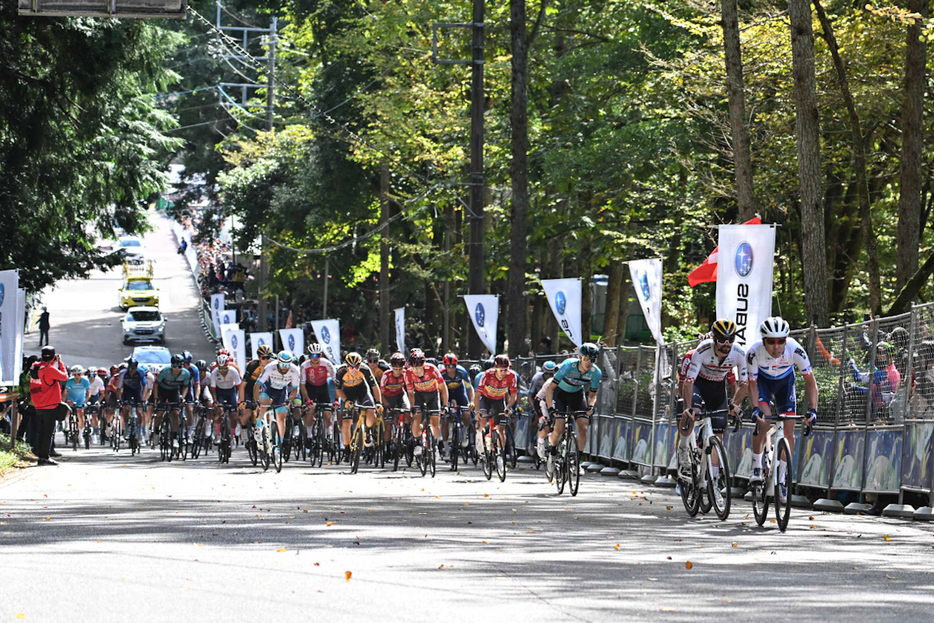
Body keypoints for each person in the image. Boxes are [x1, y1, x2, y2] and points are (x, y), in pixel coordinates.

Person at [746, 316, 819, 501]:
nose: (776, 346)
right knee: (764, 421)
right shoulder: (754, 352)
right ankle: (756, 465)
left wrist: (813, 410)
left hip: (785, 384)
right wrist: (755, 408)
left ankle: (783, 479)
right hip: (763, 383)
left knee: (789, 431)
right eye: (771, 341)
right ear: (764, 341)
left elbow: (810, 382)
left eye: (781, 341)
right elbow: (752, 385)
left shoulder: (795, 349)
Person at [677, 320, 747, 498]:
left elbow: (744, 384)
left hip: (717, 388)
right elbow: (688, 382)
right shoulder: (702, 350)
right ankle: (684, 448)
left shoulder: (739, 353)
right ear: (714, 339)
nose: (726, 344)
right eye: (722, 340)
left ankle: (712, 482)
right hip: (699, 385)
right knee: (692, 412)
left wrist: (735, 404)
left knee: (719, 435)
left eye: (730, 339)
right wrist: (687, 408)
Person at [544, 343, 603, 477]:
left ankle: (577, 461)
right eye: (586, 359)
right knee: (558, 429)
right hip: (560, 395)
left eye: (592, 360)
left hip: (577, 396)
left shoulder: (596, 373)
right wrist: (551, 408)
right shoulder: (567, 366)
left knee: (583, 427)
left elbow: (592, 395)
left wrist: (591, 407)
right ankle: (552, 453)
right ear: (580, 357)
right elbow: (550, 389)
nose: (589, 363)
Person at [334, 352, 381, 460]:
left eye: (357, 366)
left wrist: (378, 402)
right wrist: (345, 400)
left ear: (360, 365)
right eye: (351, 367)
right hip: (347, 394)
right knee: (346, 421)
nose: (354, 369)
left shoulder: (365, 369)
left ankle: (368, 432)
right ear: (347, 366)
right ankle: (346, 449)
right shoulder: (341, 372)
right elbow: (338, 389)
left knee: (370, 410)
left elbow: (374, 386)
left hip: (362, 392)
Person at [473, 354, 519, 467]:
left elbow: (513, 395)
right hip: (486, 399)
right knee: (483, 419)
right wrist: (477, 411)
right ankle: (479, 437)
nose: (503, 372)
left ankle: (499, 455)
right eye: (500, 369)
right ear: (495, 368)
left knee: (501, 430)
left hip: (499, 400)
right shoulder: (487, 375)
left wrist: (508, 407)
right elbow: (477, 394)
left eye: (505, 369)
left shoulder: (512, 376)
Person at [404, 348, 447, 458]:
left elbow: (443, 387)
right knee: (417, 418)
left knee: (435, 422)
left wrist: (445, 405)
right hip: (419, 396)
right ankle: (418, 442)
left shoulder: (432, 369)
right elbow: (410, 392)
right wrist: (412, 406)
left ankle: (435, 445)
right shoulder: (408, 373)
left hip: (433, 395)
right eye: (414, 368)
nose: (417, 371)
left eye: (419, 367)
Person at [29, 346, 68, 465]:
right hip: (50, 405)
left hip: (38, 404)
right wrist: (60, 363)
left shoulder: (34, 367)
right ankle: (45, 457)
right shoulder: (49, 369)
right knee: (48, 432)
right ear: (53, 356)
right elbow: (64, 377)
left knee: (41, 431)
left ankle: (40, 456)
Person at [299, 343, 337, 449]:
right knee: (310, 410)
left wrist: (337, 399)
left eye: (318, 355)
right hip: (310, 387)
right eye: (313, 356)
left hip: (323, 387)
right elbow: (302, 385)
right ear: (309, 356)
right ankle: (310, 436)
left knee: (327, 413)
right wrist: (307, 399)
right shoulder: (304, 366)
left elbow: (336, 382)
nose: (315, 358)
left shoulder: (326, 363)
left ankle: (325, 435)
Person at [440, 353, 474, 458]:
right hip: (447, 393)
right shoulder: (441, 374)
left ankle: (464, 433)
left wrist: (471, 401)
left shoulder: (462, 372)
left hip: (460, 392)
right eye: (448, 367)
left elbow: (469, 388)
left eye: (453, 366)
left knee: (467, 414)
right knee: (445, 420)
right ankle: (446, 448)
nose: (451, 369)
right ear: (445, 366)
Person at [531, 361, 556, 460]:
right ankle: (540, 441)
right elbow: (534, 398)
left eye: (551, 374)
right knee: (546, 426)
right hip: (543, 402)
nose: (549, 376)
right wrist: (540, 415)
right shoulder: (547, 382)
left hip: (557, 404)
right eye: (547, 374)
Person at [64, 366, 91, 439]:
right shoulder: (70, 381)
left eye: (78, 374)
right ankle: (66, 423)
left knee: (81, 416)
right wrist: (63, 401)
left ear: (81, 374)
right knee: (68, 407)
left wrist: (85, 402)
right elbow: (65, 392)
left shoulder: (85, 381)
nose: (76, 376)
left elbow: (88, 393)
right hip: (71, 397)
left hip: (81, 399)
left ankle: (80, 435)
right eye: (74, 374)